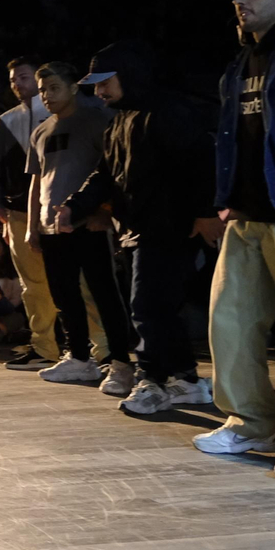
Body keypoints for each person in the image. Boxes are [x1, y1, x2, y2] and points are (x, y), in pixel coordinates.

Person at [62, 41, 220, 415]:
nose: (99, 92)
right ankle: (186, 380)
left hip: (169, 229)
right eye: (96, 85)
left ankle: (152, 380)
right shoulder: (119, 122)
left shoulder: (169, 112)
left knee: (148, 307)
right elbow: (105, 174)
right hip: (137, 229)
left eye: (105, 83)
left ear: (129, 77)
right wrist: (74, 207)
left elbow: (201, 162)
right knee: (160, 308)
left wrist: (204, 213)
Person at [194, 0, 275, 465]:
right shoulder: (242, 61)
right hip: (249, 212)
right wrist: (225, 196)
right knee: (230, 321)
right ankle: (253, 423)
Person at [25, 61, 135, 395]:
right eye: (42, 90)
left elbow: (114, 169)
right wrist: (32, 225)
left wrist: (104, 212)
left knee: (104, 294)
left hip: (87, 224)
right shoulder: (40, 131)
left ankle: (121, 362)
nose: (47, 95)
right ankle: (78, 357)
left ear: (74, 88)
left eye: (54, 88)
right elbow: (36, 181)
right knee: (64, 295)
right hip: (51, 226)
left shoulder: (97, 120)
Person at [0, 56, 74, 371]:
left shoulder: (69, 114)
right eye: (12, 80)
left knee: (79, 280)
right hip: (20, 214)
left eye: (23, 77)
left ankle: (98, 350)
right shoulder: (8, 121)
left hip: (65, 212)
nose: (17, 84)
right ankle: (45, 348)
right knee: (33, 285)